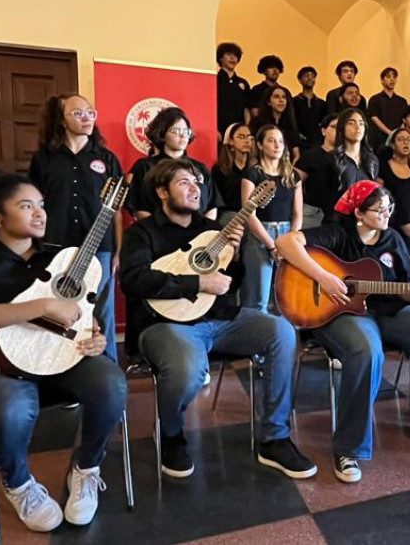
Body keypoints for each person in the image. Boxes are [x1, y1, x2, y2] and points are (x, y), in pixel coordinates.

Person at [0, 169, 127, 532]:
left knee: (112, 384)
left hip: (62, 358)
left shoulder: (64, 259)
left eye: (41, 205)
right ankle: (19, 484)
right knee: (10, 410)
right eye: (26, 206)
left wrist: (96, 337)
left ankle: (86, 468)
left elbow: (83, 315)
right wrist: (40, 307)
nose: (39, 213)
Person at [120, 157, 316, 481]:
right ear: (162, 192)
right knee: (187, 368)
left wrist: (235, 259)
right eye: (184, 182)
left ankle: (274, 438)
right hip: (165, 325)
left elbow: (229, 284)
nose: (195, 187)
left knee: (280, 330)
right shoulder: (141, 233)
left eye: (197, 182)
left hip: (220, 318)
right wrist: (196, 282)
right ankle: (171, 434)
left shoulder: (213, 231)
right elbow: (133, 281)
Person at [276, 180, 410, 483]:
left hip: (386, 310)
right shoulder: (338, 233)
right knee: (367, 352)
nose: (387, 215)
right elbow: (285, 243)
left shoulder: (393, 239)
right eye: (379, 210)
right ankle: (349, 448)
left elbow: (407, 288)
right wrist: (325, 278)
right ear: (359, 212)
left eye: (390, 208)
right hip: (340, 312)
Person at [29, 93, 123, 361]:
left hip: (99, 248)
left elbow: (116, 209)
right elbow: (33, 203)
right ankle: (59, 365)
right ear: (61, 119)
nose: (87, 118)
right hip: (54, 245)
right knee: (57, 309)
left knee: (101, 310)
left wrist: (118, 250)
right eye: (78, 113)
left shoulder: (106, 159)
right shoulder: (44, 158)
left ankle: (109, 373)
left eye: (90, 113)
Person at [240, 125, 302, 312]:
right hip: (260, 233)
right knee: (258, 298)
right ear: (259, 144)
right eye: (271, 140)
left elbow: (298, 213)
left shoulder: (293, 175)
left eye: (281, 141)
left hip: (287, 232)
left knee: (285, 297)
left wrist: (291, 240)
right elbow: (248, 213)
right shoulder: (252, 173)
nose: (277, 145)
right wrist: (272, 245)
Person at [126, 106, 221, 221]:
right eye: (175, 131)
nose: (182, 135)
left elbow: (212, 207)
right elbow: (139, 209)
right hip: (158, 234)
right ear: (162, 134)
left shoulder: (200, 168)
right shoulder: (145, 167)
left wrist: (202, 233)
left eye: (186, 131)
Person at [296, 113, 340, 228]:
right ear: (323, 131)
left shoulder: (349, 158)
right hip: (313, 214)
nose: (339, 131)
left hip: (339, 216)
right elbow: (294, 183)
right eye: (334, 127)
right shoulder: (310, 156)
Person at [211, 122, 253, 223]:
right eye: (241, 137)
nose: (246, 140)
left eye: (249, 137)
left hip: (252, 215)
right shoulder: (219, 169)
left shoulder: (255, 168)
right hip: (228, 215)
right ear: (230, 141)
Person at [333, 108, 380, 195]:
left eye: (361, 124)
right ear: (342, 127)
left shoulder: (372, 160)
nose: (358, 127)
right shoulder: (332, 159)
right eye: (351, 123)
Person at [249, 84, 302, 160]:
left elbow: (296, 155)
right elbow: (253, 152)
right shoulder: (257, 122)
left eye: (284, 97)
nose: (281, 100)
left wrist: (289, 170)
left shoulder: (290, 124)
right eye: (276, 97)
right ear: (268, 102)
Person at [366, 67, 408, 150]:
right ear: (382, 80)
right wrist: (390, 133)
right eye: (388, 77)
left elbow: (404, 120)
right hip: (379, 139)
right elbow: (374, 118)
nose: (392, 79)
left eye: (394, 77)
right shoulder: (375, 99)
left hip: (397, 139)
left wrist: (398, 134)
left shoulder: (402, 101)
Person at [215, 42, 250, 135]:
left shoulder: (243, 83)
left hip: (238, 132)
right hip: (218, 130)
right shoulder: (214, 80)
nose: (232, 58)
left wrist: (247, 130)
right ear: (221, 58)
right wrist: (213, 128)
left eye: (235, 55)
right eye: (228, 54)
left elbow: (246, 110)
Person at [293, 66, 327, 150]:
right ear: (300, 80)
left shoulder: (321, 103)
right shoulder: (293, 101)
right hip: (299, 142)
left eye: (312, 76)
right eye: (306, 75)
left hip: (317, 142)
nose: (310, 78)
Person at [248, 55, 290, 119]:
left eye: (277, 68)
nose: (275, 70)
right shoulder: (256, 90)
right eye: (271, 67)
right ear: (264, 71)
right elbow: (254, 113)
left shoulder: (284, 91)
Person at [377, 127, 410, 196]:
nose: (405, 142)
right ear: (393, 145)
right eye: (401, 139)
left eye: (408, 139)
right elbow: (378, 194)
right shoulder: (383, 167)